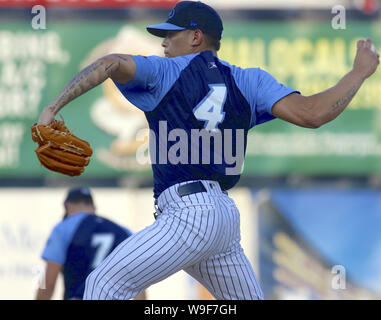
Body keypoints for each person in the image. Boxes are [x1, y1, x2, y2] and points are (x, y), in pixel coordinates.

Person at [36, 1, 379, 300]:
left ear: (196, 37)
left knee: (102, 285)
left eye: (171, 34)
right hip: (222, 219)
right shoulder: (249, 80)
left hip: (188, 214)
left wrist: (53, 107)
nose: (164, 42)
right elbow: (313, 114)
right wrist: (359, 73)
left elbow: (110, 62)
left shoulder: (164, 70)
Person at [35, 187, 146, 300]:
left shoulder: (63, 228)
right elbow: (137, 284)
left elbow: (48, 282)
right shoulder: (123, 231)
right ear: (93, 207)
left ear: (67, 206)